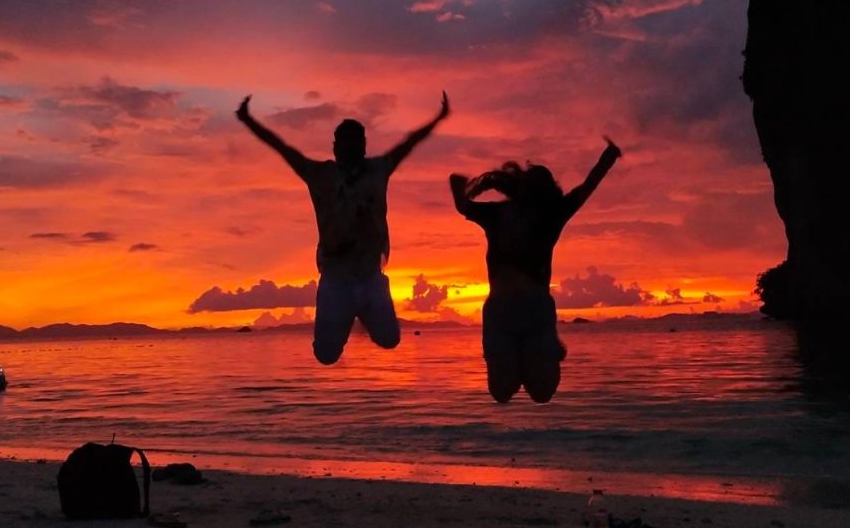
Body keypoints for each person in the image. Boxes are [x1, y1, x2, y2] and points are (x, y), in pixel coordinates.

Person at [236, 92, 450, 364]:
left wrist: (438, 119)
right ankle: (349, 313)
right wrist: (249, 121)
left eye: (356, 143)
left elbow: (409, 143)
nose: (350, 149)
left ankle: (362, 310)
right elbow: (282, 148)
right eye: (345, 143)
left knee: (390, 340)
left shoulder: (378, 170)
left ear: (363, 146)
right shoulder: (319, 174)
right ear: (335, 147)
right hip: (335, 279)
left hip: (370, 275)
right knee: (326, 356)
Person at [450, 138, 621, 403]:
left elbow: (588, 187)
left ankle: (538, 352)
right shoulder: (500, 213)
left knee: (542, 393)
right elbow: (463, 206)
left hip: (533, 309)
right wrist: (457, 186)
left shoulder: (552, 213)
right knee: (501, 393)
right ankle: (536, 353)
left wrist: (608, 158)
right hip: (503, 311)